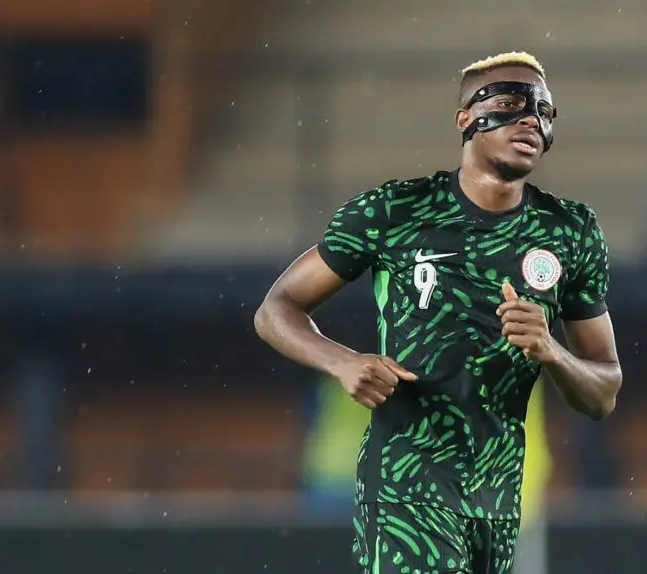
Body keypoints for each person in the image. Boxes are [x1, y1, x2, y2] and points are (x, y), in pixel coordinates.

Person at [254, 51, 623, 574]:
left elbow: (603, 392)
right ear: (466, 118)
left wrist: (551, 351)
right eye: (511, 103)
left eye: (544, 111)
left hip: (499, 499)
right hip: (406, 485)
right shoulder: (396, 212)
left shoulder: (570, 232)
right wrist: (341, 362)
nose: (530, 120)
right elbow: (275, 309)